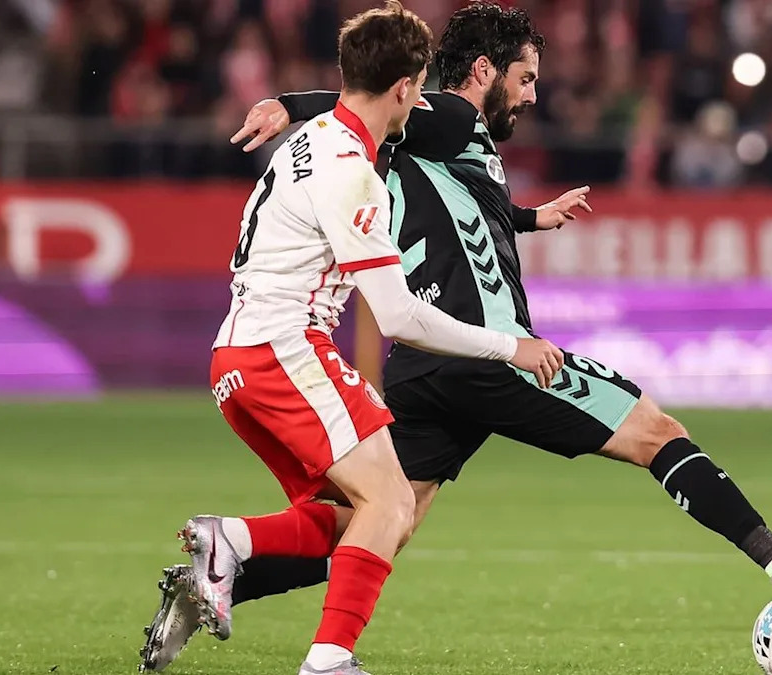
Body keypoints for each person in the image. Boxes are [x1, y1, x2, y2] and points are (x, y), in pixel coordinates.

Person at [140, 3, 772, 671]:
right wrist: (290, 103)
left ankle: (224, 572)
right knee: (656, 431)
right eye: (525, 78)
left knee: (373, 521)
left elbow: (433, 168)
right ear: (481, 72)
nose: (531, 95)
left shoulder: (426, 144)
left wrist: (529, 217)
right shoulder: (449, 116)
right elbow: (370, 98)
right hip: (484, 351)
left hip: (423, 366)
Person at [138, 4, 565, 674]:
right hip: (286, 352)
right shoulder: (351, 172)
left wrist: (528, 219)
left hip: (237, 360)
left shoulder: (309, 140)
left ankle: (231, 550)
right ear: (403, 87)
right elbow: (398, 317)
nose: (420, 103)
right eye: (419, 90)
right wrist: (510, 346)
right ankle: (326, 656)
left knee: (354, 516)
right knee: (392, 504)